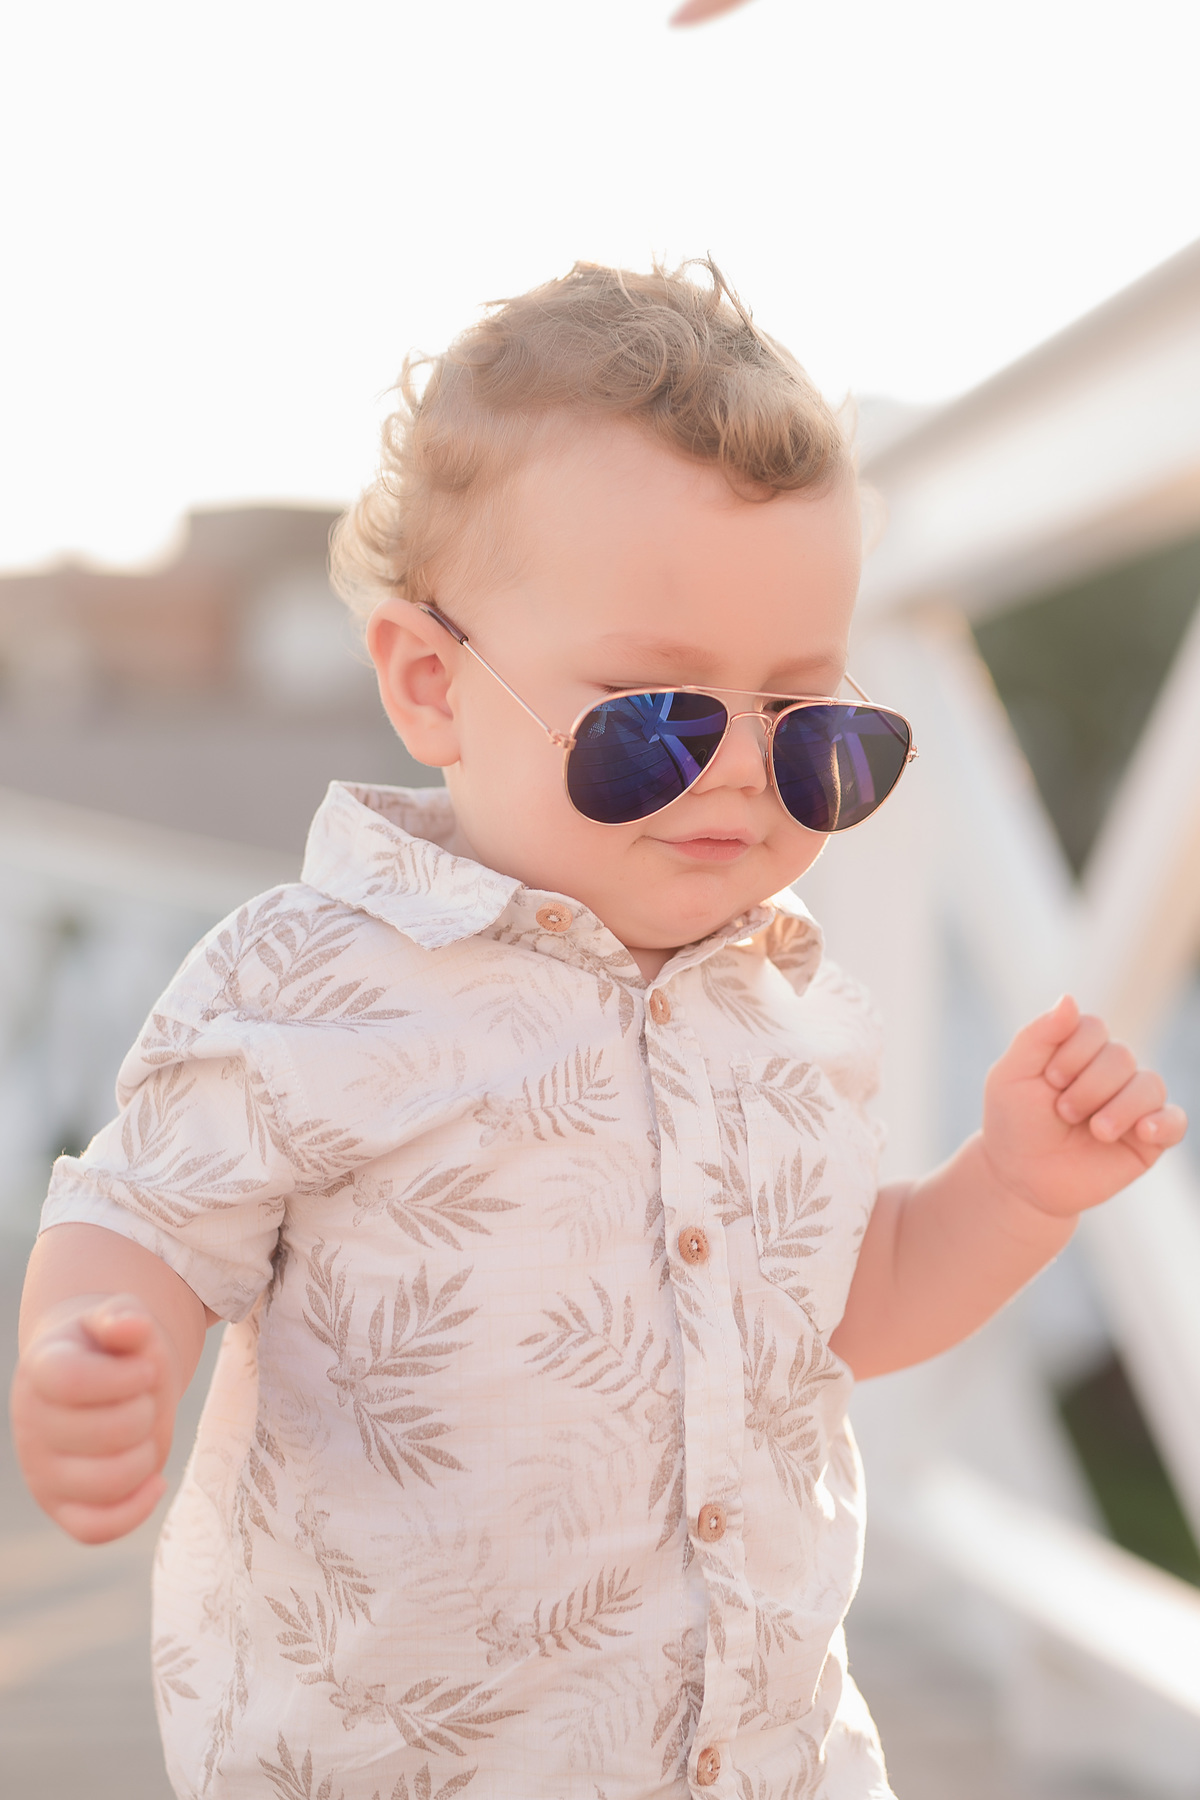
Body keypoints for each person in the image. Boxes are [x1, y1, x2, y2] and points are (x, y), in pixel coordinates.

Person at [10, 261, 1187, 1800]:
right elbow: (144, 1217)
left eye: (815, 724)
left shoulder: (789, 1002)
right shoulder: (307, 979)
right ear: (433, 687)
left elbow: (847, 1303)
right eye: (655, 721)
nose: (740, 779)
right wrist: (100, 1348)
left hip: (762, 1760)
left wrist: (1017, 1190)